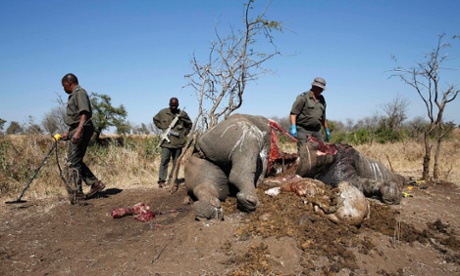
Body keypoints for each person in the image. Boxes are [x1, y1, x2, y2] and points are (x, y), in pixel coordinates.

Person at [60, 73, 106, 200]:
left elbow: (84, 113)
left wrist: (78, 130)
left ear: (69, 83)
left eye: (64, 85)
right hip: (78, 128)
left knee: (73, 161)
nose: (63, 88)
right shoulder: (73, 95)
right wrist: (68, 131)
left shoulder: (79, 92)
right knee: (76, 160)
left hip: (83, 128)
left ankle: (78, 193)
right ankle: (95, 183)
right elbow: (75, 117)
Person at [153, 97, 192, 188]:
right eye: (172, 105)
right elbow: (155, 119)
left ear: (178, 105)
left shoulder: (182, 114)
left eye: (175, 105)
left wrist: (183, 134)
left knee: (176, 162)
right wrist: (162, 127)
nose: (173, 107)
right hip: (166, 143)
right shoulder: (163, 113)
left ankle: (172, 179)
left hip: (178, 143)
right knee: (164, 161)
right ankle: (161, 180)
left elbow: (189, 124)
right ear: (169, 104)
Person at [289, 77, 330, 145]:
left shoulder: (322, 99)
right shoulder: (303, 97)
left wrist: (326, 130)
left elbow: (323, 117)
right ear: (313, 86)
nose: (321, 90)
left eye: (322, 89)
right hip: (303, 129)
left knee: (321, 149)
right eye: (319, 88)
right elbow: (293, 113)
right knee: (304, 150)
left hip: (316, 130)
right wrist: (293, 127)